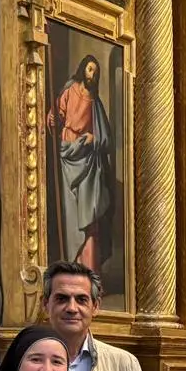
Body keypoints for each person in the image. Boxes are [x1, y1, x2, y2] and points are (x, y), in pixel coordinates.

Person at [48, 54, 115, 271]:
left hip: (88, 162)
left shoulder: (95, 102)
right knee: (71, 214)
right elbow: (57, 115)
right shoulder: (70, 90)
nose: (92, 74)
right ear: (82, 69)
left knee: (90, 218)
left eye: (95, 71)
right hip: (68, 155)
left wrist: (93, 139)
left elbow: (106, 137)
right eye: (89, 69)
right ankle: (72, 265)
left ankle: (88, 270)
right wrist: (52, 118)